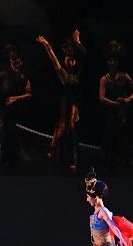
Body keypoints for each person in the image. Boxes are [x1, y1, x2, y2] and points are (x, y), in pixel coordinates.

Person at [37, 30, 86, 170]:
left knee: (73, 129)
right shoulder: (63, 74)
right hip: (66, 103)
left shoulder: (78, 73)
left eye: (72, 60)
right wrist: (47, 46)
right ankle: (55, 153)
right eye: (67, 60)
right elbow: (54, 60)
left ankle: (74, 160)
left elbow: (84, 55)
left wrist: (78, 42)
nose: (70, 62)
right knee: (63, 128)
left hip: (75, 102)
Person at [98, 40, 133, 168]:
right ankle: (109, 160)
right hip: (111, 112)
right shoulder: (104, 79)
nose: (112, 63)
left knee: (125, 136)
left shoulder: (124, 76)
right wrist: (113, 104)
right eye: (110, 60)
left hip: (124, 111)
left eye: (114, 60)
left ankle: (127, 159)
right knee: (110, 135)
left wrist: (128, 99)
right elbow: (101, 98)